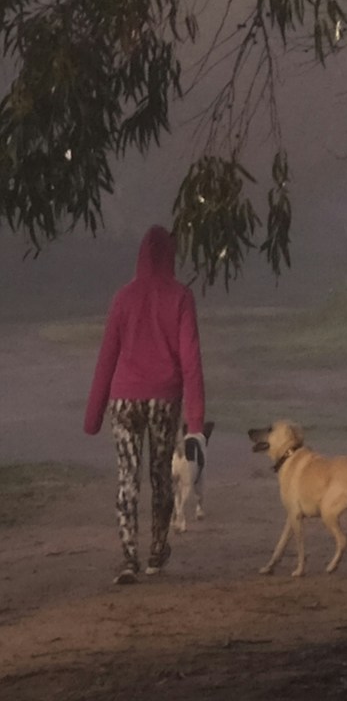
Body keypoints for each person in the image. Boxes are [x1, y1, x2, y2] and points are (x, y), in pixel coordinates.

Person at [82, 221, 204, 585]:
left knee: (127, 477)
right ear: (170, 256)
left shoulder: (123, 298)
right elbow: (191, 360)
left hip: (123, 398)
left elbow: (107, 357)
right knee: (160, 475)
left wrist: (93, 416)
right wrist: (195, 421)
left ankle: (128, 557)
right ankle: (156, 552)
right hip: (164, 399)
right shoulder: (181, 297)